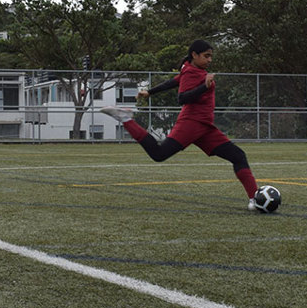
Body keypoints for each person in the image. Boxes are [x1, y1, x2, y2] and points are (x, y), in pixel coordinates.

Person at [101, 40, 260, 210]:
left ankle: (255, 199)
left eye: (211, 56)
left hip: (204, 127)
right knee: (159, 154)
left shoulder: (190, 69)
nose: (209, 60)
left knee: (238, 156)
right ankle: (126, 119)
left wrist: (150, 91)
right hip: (192, 123)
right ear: (194, 55)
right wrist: (204, 87)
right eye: (206, 56)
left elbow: (174, 81)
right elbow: (182, 98)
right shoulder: (193, 72)